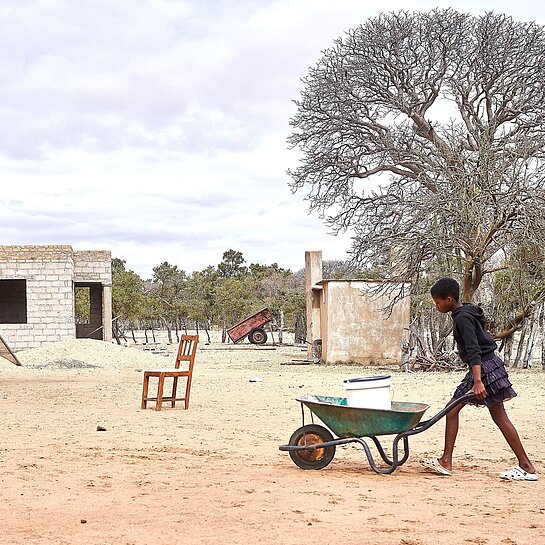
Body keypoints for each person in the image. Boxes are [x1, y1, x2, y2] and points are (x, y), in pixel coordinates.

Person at [421, 277, 538, 481]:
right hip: (487, 366)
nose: (437, 306)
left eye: (437, 302)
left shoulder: (462, 317)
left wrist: (477, 381)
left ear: (449, 299)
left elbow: (474, 349)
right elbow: (482, 333)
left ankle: (447, 461)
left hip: (483, 369)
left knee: (453, 410)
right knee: (496, 416)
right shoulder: (468, 310)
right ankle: (524, 465)